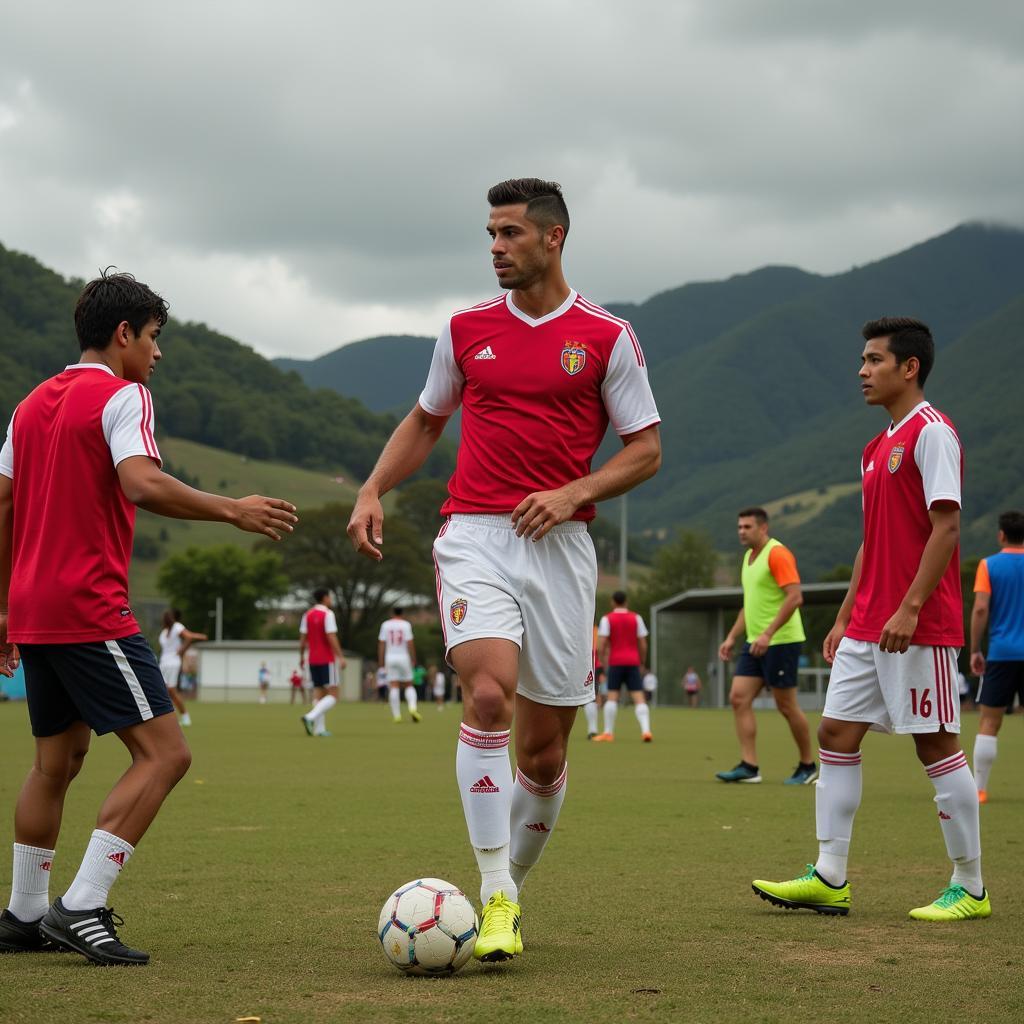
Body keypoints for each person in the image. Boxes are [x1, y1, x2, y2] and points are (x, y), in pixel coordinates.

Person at [347, 178, 660, 962]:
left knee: (545, 753)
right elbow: (427, 420)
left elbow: (646, 449)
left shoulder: (606, 336)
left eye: (510, 234)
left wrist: (574, 492)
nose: (495, 247)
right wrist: (374, 486)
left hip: (560, 547)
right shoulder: (462, 330)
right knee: (488, 694)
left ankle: (510, 885)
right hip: (474, 534)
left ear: (553, 238)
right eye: (490, 234)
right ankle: (494, 892)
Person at [0, 271, 296, 964]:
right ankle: (82, 904)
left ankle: (22, 913)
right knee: (166, 754)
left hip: (36, 609)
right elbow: (141, 482)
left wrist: (5, 607)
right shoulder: (125, 394)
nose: (158, 355)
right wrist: (233, 509)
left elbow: (5, 506)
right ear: (124, 333)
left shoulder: (28, 405)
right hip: (88, 606)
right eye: (154, 338)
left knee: (56, 761)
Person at [753, 316, 989, 922]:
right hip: (866, 626)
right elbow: (870, 541)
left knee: (936, 744)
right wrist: (843, 617)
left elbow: (947, 528)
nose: (862, 371)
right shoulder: (875, 446)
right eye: (862, 360)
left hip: (919, 623)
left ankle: (971, 886)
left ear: (908, 368)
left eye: (874, 360)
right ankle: (830, 875)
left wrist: (910, 605)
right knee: (835, 736)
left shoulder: (933, 434)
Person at [716, 508, 814, 785]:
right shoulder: (748, 558)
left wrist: (768, 634)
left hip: (782, 641)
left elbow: (795, 598)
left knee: (786, 705)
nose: (741, 532)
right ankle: (749, 766)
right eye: (739, 527)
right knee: (738, 698)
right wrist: (732, 637)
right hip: (754, 642)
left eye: (747, 527)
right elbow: (750, 605)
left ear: (763, 528)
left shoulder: (777, 554)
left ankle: (808, 765)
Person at [969, 510, 1024, 804]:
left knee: (989, 722)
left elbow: (980, 609)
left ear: (1001, 535)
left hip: (1001, 653)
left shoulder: (988, 565)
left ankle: (979, 789)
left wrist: (976, 648)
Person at [593, 591, 653, 742]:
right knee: (639, 697)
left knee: (612, 697)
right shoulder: (636, 618)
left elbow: (601, 643)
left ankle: (608, 733)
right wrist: (642, 662)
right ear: (626, 602)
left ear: (613, 602)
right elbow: (643, 644)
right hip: (633, 662)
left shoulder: (607, 619)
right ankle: (646, 731)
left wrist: (602, 661)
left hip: (616, 662)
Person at [299, 588, 345, 737]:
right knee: (334, 695)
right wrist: (340, 656)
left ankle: (319, 729)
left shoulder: (307, 614)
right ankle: (309, 717)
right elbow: (331, 636)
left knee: (319, 694)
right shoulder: (328, 614)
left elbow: (303, 639)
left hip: (312, 659)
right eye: (329, 597)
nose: (330, 600)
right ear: (325, 598)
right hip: (326, 659)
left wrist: (301, 656)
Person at [157, 609, 206, 727]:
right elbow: (190, 635)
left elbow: (188, 637)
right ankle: (165, 717)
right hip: (163, 663)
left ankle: (185, 717)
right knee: (161, 690)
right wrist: (200, 636)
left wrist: (182, 650)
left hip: (173, 662)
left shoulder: (177, 627)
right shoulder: (164, 632)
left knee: (171, 690)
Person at [378, 606, 421, 723]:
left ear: (392, 613)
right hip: (404, 657)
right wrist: (414, 659)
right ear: (402, 613)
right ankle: (412, 708)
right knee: (409, 685)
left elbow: (382, 644)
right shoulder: (406, 625)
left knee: (394, 686)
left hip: (390, 657)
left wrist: (381, 662)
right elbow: (410, 643)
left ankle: (397, 715)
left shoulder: (385, 625)